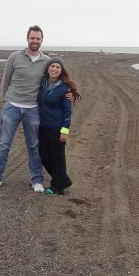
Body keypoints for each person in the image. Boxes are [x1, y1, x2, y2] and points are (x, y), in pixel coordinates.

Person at [0, 25, 50, 192]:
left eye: (38, 38)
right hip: (12, 106)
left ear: (42, 40)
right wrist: (5, 101)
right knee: (4, 144)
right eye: (32, 38)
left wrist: (68, 92)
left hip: (32, 109)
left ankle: (37, 180)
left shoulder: (47, 61)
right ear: (27, 39)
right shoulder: (14, 57)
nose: (35, 41)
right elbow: (5, 81)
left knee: (34, 146)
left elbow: (55, 81)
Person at [37, 57, 81, 196]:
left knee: (57, 158)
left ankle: (57, 186)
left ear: (61, 71)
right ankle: (63, 179)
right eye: (52, 66)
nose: (54, 69)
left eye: (58, 67)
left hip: (56, 128)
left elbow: (68, 112)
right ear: (48, 68)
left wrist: (64, 131)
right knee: (44, 156)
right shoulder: (41, 84)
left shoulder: (64, 88)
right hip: (41, 127)